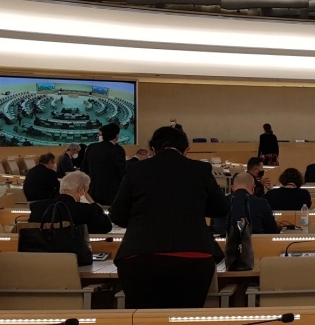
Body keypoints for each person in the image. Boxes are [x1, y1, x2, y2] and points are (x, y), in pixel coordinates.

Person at [109, 126, 229, 309]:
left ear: (153, 150)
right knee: (184, 322)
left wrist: (138, 223)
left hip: (140, 256)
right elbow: (221, 208)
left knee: (144, 321)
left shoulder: (136, 170)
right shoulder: (201, 169)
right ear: (186, 150)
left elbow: (117, 214)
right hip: (194, 255)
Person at [28, 171, 112, 234]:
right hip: (72, 254)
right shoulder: (86, 210)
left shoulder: (37, 207)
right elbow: (106, 227)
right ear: (81, 189)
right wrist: (93, 203)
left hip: (40, 254)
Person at [213, 172, 278, 235]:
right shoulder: (261, 203)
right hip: (255, 244)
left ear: (232, 188)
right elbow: (273, 230)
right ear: (253, 188)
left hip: (224, 244)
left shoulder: (222, 202)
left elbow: (215, 228)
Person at [82, 123, 126, 204]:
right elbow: (122, 171)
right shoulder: (117, 149)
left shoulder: (91, 147)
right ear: (116, 135)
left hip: (93, 191)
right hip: (111, 192)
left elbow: (84, 168)